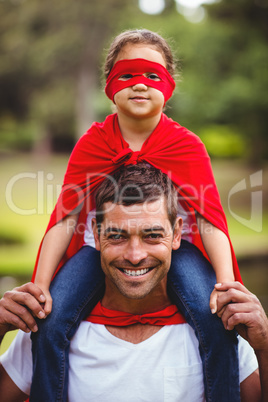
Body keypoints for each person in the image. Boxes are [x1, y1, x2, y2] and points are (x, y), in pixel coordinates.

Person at [30, 29, 242, 401]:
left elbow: (210, 219)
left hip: (177, 248)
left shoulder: (186, 146)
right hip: (102, 247)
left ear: (169, 86)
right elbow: (64, 218)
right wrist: (41, 287)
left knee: (215, 321)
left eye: (152, 76)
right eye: (127, 75)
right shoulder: (92, 144)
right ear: (110, 85)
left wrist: (226, 286)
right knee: (49, 323)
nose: (140, 85)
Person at [0, 164, 267, 402]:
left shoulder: (219, 327)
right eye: (117, 236)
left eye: (152, 236)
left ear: (176, 235)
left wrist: (264, 347)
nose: (135, 256)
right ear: (95, 234)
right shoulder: (49, 326)